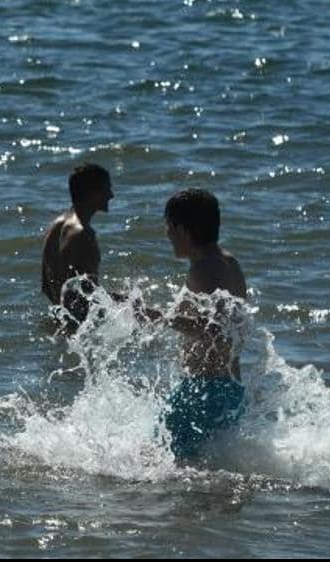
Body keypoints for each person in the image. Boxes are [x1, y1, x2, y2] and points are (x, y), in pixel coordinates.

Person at [138, 188, 248, 460]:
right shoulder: (228, 262)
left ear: (183, 230)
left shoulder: (204, 269)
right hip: (229, 389)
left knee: (157, 461)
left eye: (169, 227)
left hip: (203, 392)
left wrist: (156, 316)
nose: (167, 234)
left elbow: (210, 330)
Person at [40, 163, 113, 332]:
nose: (111, 195)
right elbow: (89, 295)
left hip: (57, 323)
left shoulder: (55, 226)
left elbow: (46, 285)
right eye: (107, 188)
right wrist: (129, 304)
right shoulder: (84, 235)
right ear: (93, 193)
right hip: (79, 333)